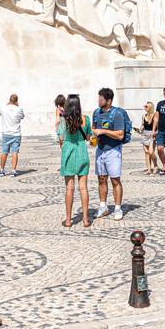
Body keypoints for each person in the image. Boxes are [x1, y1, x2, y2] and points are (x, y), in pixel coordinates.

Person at [90, 87, 128, 220]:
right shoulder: (96, 113)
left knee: (115, 180)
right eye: (98, 98)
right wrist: (93, 136)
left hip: (113, 150)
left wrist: (104, 131)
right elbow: (94, 129)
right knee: (101, 178)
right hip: (100, 150)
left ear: (109, 100)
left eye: (101, 99)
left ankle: (118, 208)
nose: (98, 101)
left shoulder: (116, 114)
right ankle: (103, 206)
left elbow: (120, 135)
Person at [58, 93, 93, 228]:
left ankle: (68, 220)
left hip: (68, 152)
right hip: (81, 152)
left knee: (69, 188)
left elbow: (61, 139)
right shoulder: (86, 119)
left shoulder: (63, 121)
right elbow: (89, 138)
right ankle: (85, 219)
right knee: (83, 187)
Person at [0, 94, 24, 177]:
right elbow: (22, 117)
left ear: (9, 100)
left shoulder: (3, 108)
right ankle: (13, 171)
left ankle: (2, 170)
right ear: (16, 101)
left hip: (6, 133)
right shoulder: (19, 109)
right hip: (16, 134)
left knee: (4, 152)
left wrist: (7, 105)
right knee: (15, 152)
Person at [141, 100, 159, 174]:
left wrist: (155, 133)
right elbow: (142, 125)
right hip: (145, 134)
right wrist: (139, 129)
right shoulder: (144, 116)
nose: (144, 107)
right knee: (146, 152)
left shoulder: (155, 115)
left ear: (150, 107)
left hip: (152, 135)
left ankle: (155, 165)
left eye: (146, 106)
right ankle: (149, 169)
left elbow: (157, 127)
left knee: (151, 152)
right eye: (144, 106)